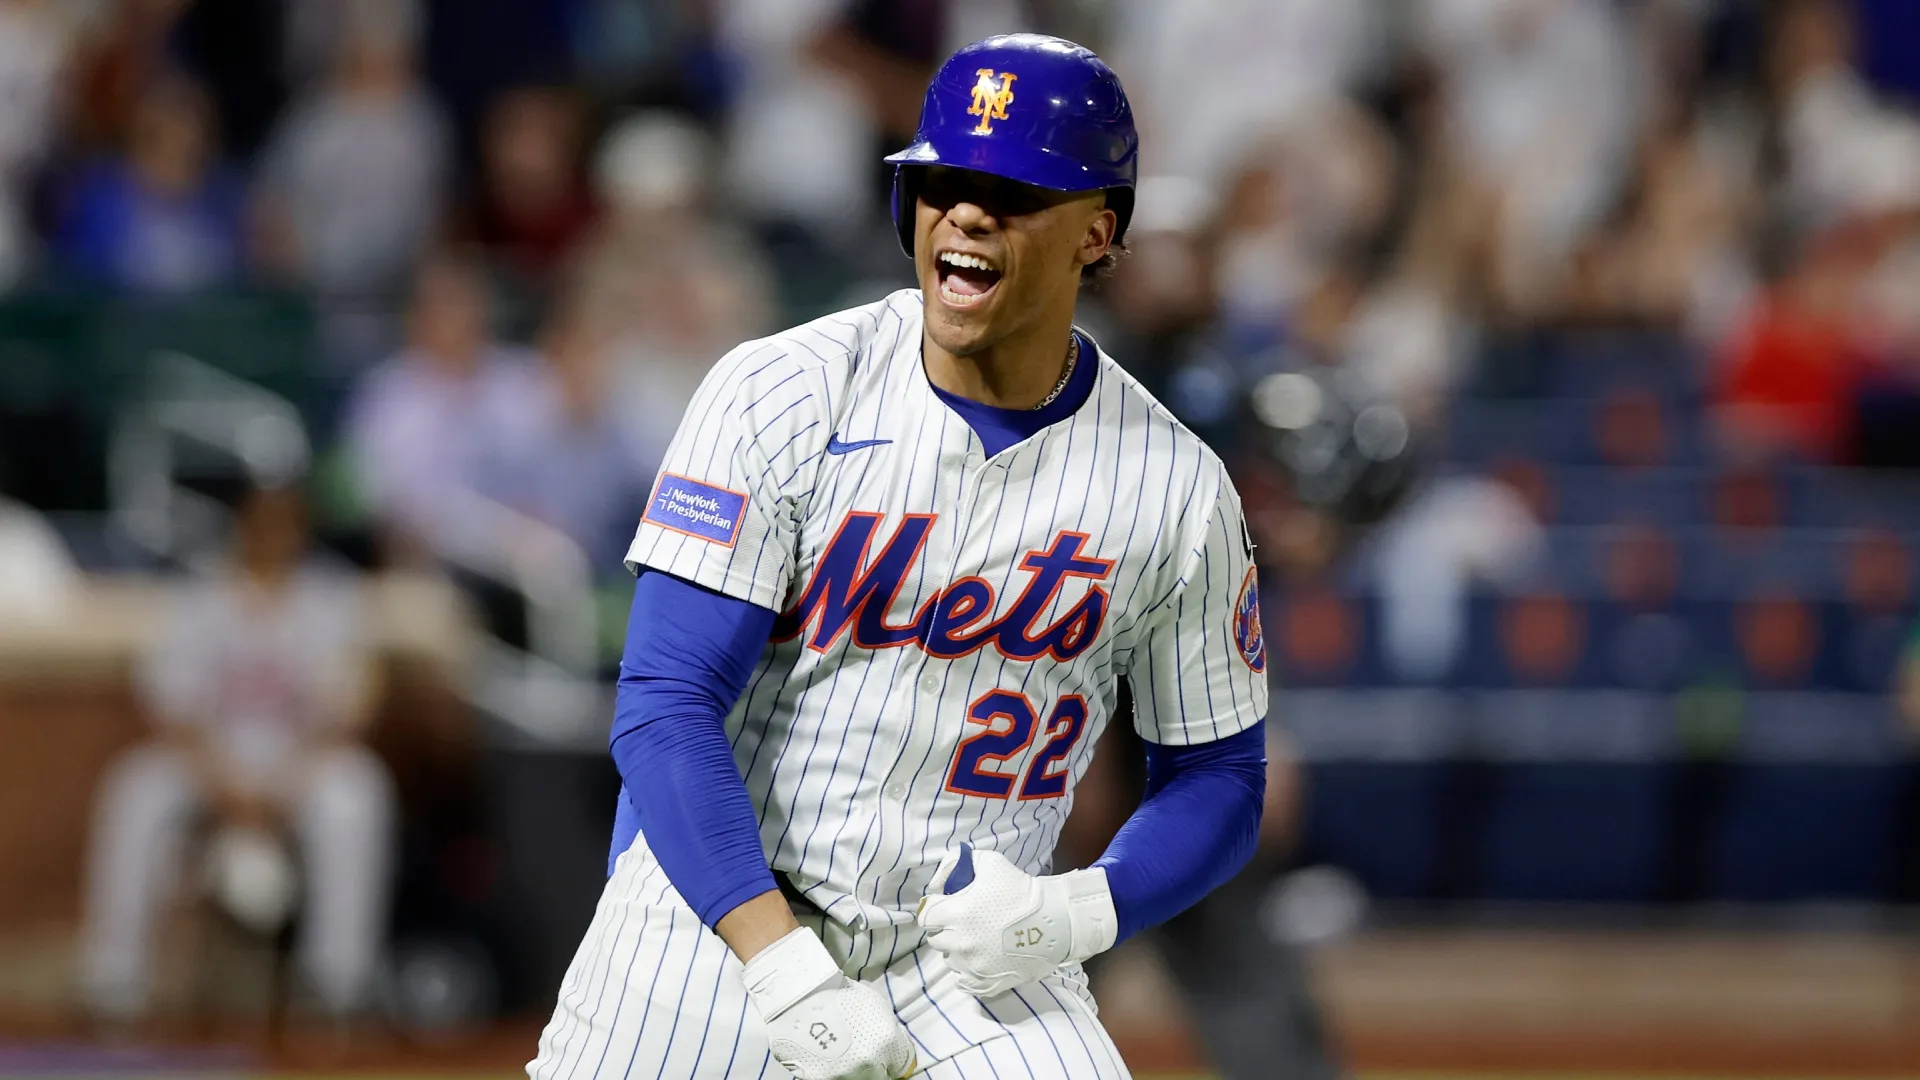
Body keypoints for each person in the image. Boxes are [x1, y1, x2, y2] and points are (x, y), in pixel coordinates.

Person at [530, 35, 1269, 1080]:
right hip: (717, 923)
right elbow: (663, 700)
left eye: (1012, 190)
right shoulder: (783, 391)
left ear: (1097, 233)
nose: (966, 212)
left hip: (969, 956)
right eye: (943, 181)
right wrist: (780, 967)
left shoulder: (1177, 486)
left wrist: (1077, 911)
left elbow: (1222, 776)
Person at [79, 481, 393, 1025]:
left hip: (301, 763)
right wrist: (223, 784)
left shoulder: (330, 597)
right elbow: (173, 711)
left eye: (285, 523)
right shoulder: (202, 595)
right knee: (135, 787)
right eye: (261, 522)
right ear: (240, 528)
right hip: (211, 760)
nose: (272, 535)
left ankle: (338, 985)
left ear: (301, 532)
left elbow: (349, 712)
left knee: (356, 795)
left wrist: (284, 784)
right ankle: (113, 980)